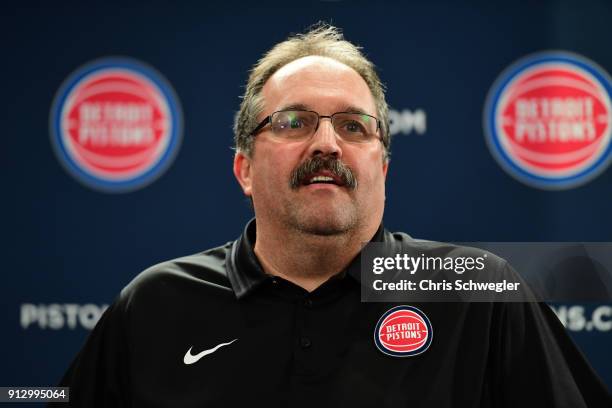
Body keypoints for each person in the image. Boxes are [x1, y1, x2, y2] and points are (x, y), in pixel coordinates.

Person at [53, 23, 611, 407]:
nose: (328, 144)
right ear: (244, 169)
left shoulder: (477, 294)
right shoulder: (155, 302)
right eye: (295, 122)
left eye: (353, 126)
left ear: (384, 170)